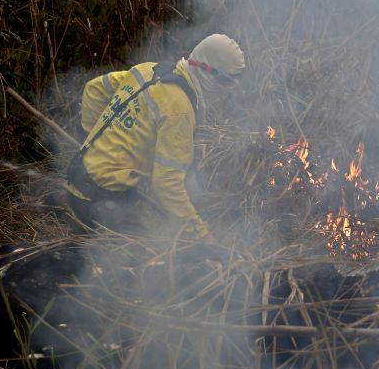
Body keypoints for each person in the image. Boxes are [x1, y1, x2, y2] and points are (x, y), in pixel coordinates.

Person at [64, 34, 246, 241]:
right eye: (225, 82)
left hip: (77, 178)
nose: (228, 92)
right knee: (142, 261)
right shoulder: (179, 110)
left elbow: (94, 89)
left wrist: (94, 140)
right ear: (206, 70)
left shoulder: (149, 70)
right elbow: (166, 184)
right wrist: (201, 234)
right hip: (100, 198)